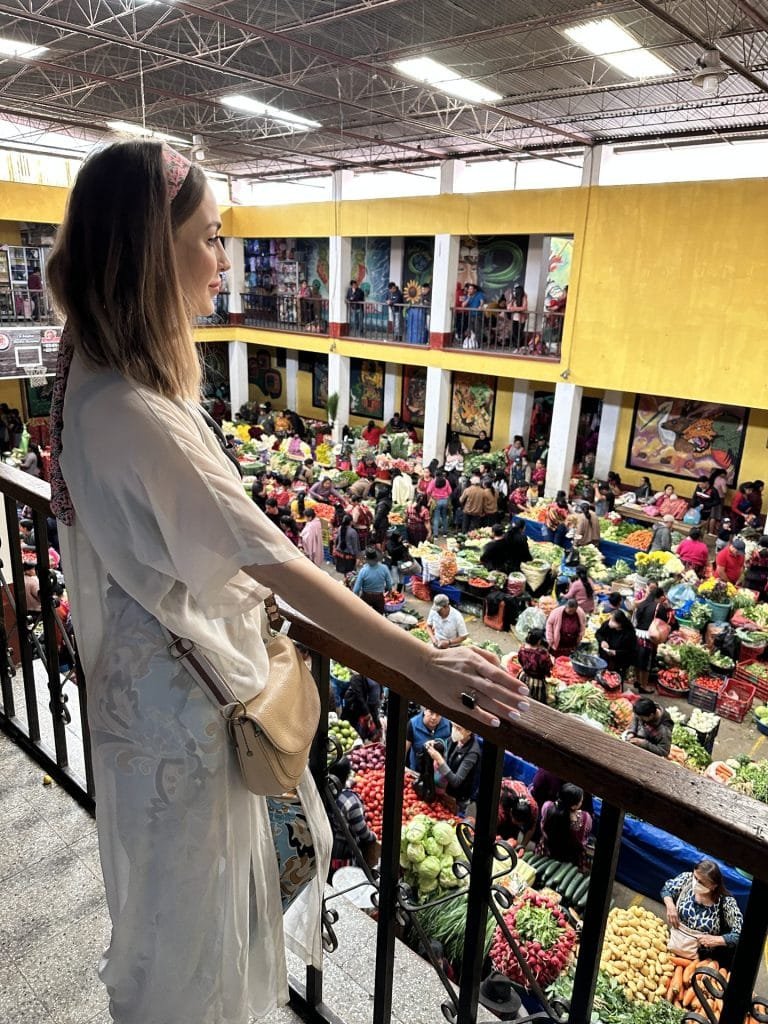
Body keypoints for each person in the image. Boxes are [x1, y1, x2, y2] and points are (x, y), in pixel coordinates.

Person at [46, 139, 529, 1024]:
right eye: (211, 237)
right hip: (180, 730)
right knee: (197, 942)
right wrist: (423, 662)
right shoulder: (139, 413)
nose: (223, 261)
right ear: (155, 253)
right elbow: (272, 557)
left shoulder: (85, 372)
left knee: (161, 922)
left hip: (135, 706)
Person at [661, 859, 743, 965]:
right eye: (695, 877)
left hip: (701, 961)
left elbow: (739, 934)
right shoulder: (687, 879)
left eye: (701, 882)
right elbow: (667, 889)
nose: (695, 883)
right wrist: (670, 905)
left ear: (713, 886)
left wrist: (718, 940)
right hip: (672, 947)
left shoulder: (726, 902)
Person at [327, 758, 380, 870]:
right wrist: (373, 837)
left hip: (327, 848)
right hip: (343, 855)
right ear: (347, 775)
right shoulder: (351, 801)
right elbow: (362, 832)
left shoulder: (326, 790)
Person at [632, 584, 677, 693]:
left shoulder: (643, 604)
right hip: (648, 637)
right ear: (660, 597)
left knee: (637, 661)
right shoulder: (658, 607)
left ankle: (637, 681)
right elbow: (666, 621)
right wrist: (668, 608)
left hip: (637, 635)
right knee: (646, 662)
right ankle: (643, 686)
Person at [536, 783, 592, 870]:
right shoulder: (586, 818)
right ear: (574, 806)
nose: (582, 802)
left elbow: (543, 825)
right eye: (581, 800)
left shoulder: (547, 807)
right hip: (570, 863)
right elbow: (584, 840)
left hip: (546, 852)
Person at [595, 611, 636, 683]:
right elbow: (598, 633)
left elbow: (630, 651)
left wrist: (616, 652)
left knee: (613, 680)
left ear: (620, 623)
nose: (610, 622)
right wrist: (602, 641)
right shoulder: (607, 625)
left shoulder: (629, 634)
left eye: (613, 621)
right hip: (605, 656)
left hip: (619, 661)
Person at [341, 672, 382, 742]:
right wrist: (367, 712)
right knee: (355, 732)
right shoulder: (356, 678)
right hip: (356, 709)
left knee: (375, 727)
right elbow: (359, 697)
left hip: (372, 706)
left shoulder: (375, 672)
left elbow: (379, 682)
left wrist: (381, 691)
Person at [497, 778, 538, 845]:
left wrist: (522, 846)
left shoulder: (534, 808)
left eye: (520, 824)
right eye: (516, 822)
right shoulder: (502, 805)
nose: (518, 825)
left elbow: (531, 828)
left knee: (511, 836)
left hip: (517, 792)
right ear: (510, 812)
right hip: (499, 791)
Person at [516, 628, 553, 704]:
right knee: (535, 703)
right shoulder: (543, 654)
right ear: (539, 641)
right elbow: (548, 667)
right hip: (537, 683)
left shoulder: (522, 649)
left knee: (520, 697)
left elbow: (520, 661)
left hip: (523, 677)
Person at [352, 547, 393, 613]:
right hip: (379, 597)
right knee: (379, 617)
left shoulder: (363, 571)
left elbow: (356, 590)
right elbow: (389, 584)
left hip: (366, 597)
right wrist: (389, 592)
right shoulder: (384, 568)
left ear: (366, 559)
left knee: (364, 616)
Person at [427, 470, 453, 538]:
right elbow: (450, 491)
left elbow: (428, 491)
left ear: (435, 475)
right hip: (445, 501)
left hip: (436, 501)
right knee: (444, 517)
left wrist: (432, 496)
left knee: (436, 518)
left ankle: (436, 535)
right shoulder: (446, 481)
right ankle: (445, 533)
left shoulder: (433, 481)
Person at [507, 283, 528, 350]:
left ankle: (519, 346)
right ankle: (516, 345)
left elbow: (524, 307)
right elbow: (508, 307)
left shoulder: (523, 297)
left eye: (515, 291)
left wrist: (515, 309)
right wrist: (510, 302)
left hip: (521, 318)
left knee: (520, 333)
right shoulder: (513, 298)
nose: (514, 292)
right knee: (514, 332)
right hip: (514, 318)